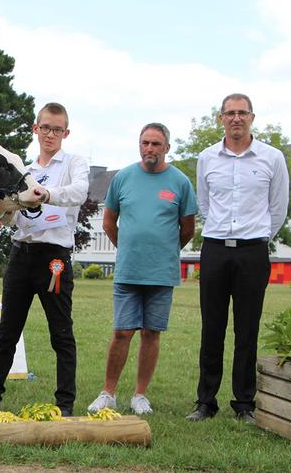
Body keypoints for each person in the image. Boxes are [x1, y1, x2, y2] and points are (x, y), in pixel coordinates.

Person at [0, 102, 90, 418]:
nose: (50, 134)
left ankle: (64, 405)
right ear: (36, 129)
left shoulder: (74, 163)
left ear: (66, 132)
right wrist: (2, 212)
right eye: (45, 127)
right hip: (21, 254)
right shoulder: (23, 169)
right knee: (7, 332)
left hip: (54, 260)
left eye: (57, 129)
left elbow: (79, 193)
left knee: (61, 333)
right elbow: (10, 217)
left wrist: (46, 195)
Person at [186, 93, 289, 424]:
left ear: (252, 117)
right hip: (215, 249)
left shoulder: (272, 159)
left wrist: (257, 237)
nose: (236, 118)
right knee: (211, 329)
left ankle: (244, 403)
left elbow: (278, 209)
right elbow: (205, 204)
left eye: (242, 113)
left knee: (247, 330)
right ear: (221, 119)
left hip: (253, 251)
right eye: (229, 113)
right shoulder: (206, 158)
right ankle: (205, 402)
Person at [87, 123, 197, 416]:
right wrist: (128, 248)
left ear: (167, 148)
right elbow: (109, 222)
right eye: (145, 143)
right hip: (129, 271)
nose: (150, 149)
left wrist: (164, 250)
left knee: (151, 332)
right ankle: (108, 392)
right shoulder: (123, 178)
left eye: (156, 144)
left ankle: (139, 395)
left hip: (162, 272)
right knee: (122, 332)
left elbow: (187, 229)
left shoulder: (180, 182)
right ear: (140, 145)